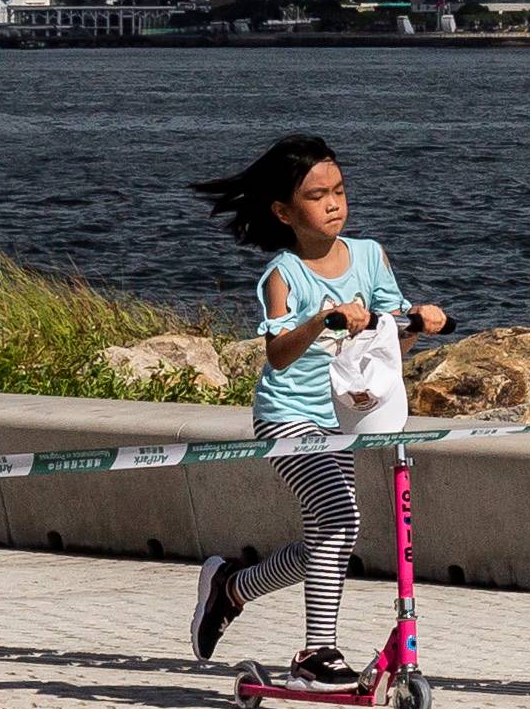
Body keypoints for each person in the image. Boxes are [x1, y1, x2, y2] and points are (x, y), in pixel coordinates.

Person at [183, 133, 445, 679]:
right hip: (287, 417)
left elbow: (390, 344)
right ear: (282, 210)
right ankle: (316, 653)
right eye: (317, 195)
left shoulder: (370, 257)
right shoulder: (284, 275)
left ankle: (232, 587)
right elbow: (278, 356)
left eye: (340, 191)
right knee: (339, 519)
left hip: (345, 416)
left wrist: (419, 322)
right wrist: (321, 320)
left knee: (332, 536)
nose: (333, 204)